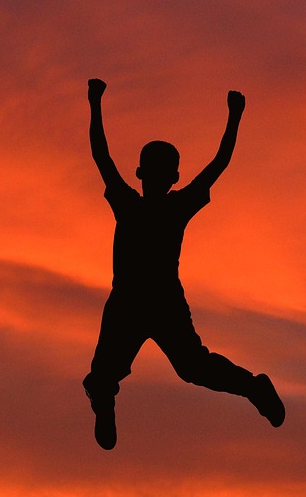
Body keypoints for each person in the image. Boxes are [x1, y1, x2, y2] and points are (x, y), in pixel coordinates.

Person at [81, 77, 285, 450]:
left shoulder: (161, 206)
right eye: (153, 171)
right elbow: (102, 156)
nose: (157, 178)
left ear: (170, 178)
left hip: (158, 302)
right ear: (144, 174)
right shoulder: (136, 205)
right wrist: (94, 104)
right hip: (129, 302)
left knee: (191, 367)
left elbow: (217, 165)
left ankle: (255, 388)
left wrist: (234, 117)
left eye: (163, 173)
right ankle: (104, 401)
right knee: (103, 375)